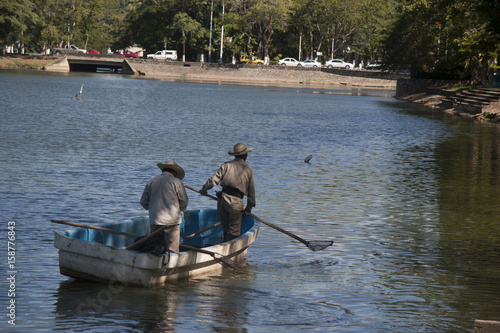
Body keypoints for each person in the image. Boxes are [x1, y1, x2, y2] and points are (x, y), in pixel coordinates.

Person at [200, 143, 256, 241]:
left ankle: (225, 245)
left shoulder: (226, 165)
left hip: (222, 200)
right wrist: (249, 206)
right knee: (233, 232)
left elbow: (213, 180)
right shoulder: (248, 169)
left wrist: (204, 189)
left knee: (225, 229)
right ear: (245, 155)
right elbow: (251, 191)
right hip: (235, 203)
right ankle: (228, 250)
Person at [140, 160, 188, 253]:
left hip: (156, 220)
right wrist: (181, 210)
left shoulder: (151, 181)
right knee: (172, 250)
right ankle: (171, 264)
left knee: (155, 247)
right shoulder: (177, 182)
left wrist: (153, 209)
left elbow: (143, 202)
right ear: (174, 172)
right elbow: (184, 200)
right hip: (172, 221)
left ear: (163, 171)